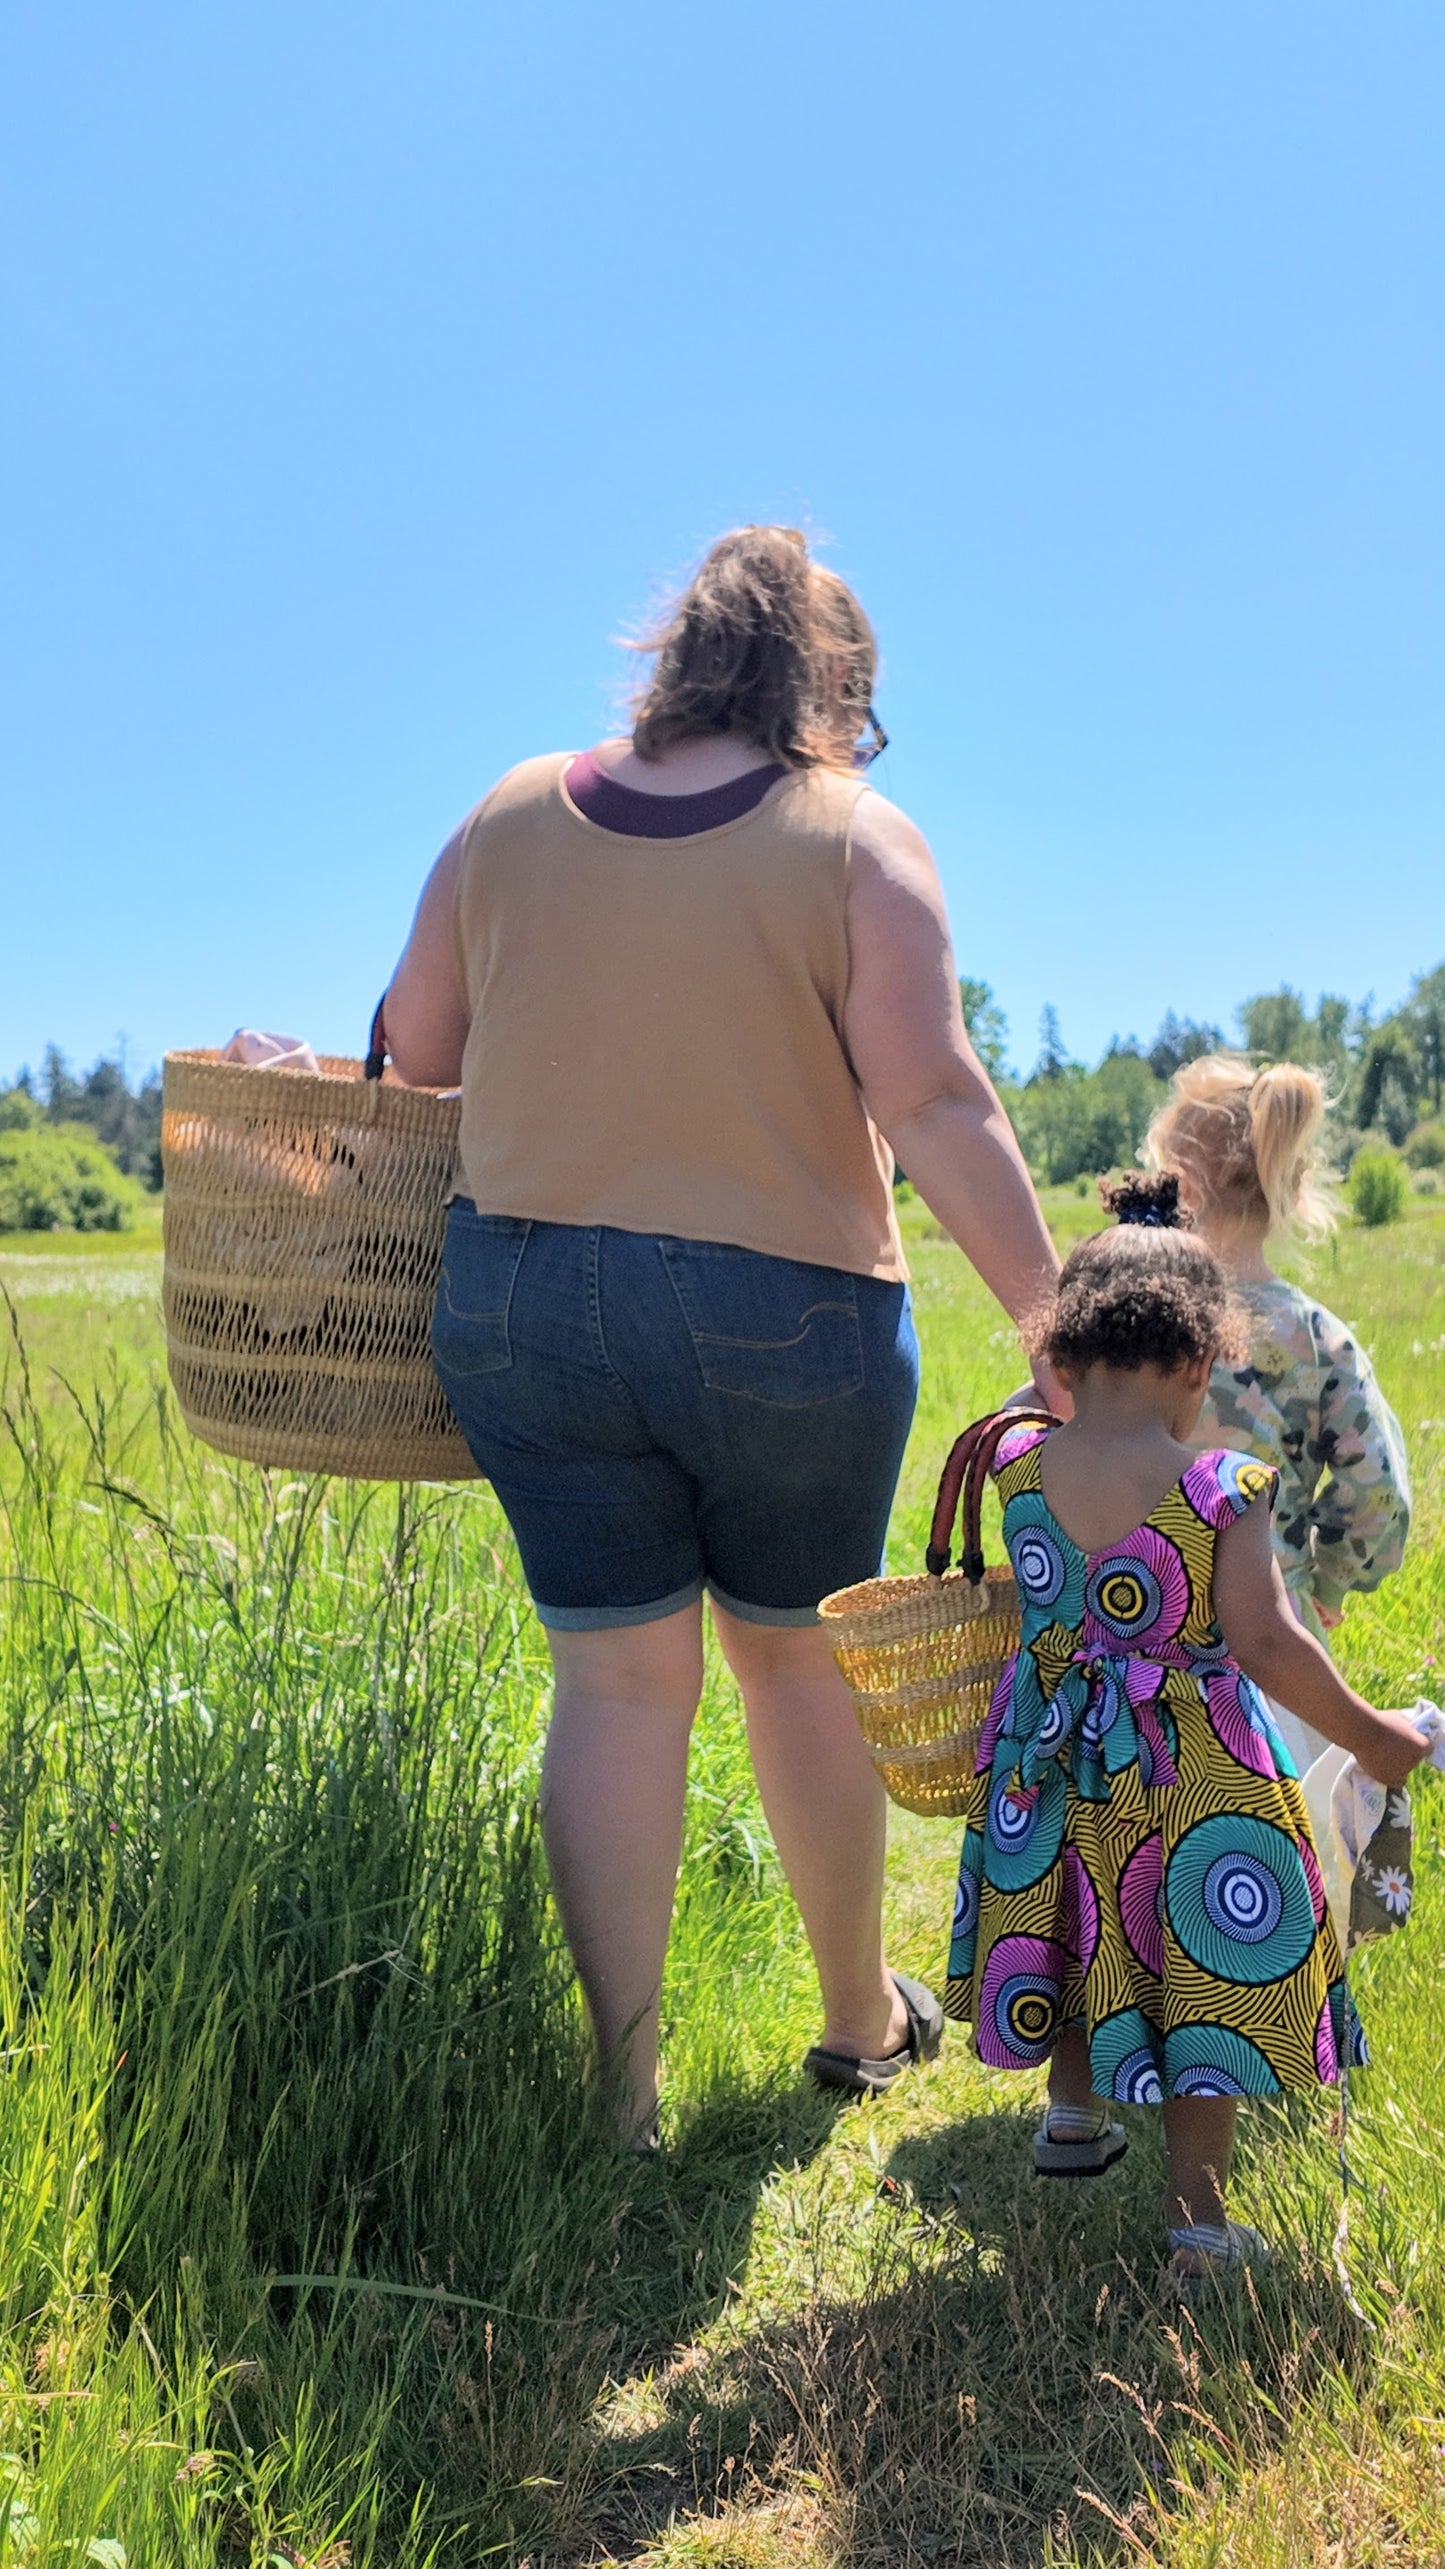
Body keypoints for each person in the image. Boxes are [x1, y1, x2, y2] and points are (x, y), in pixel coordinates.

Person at [383, 525, 1063, 2143]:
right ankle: (853, 2018)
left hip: (527, 1299)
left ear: (674, 658)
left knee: (616, 1686)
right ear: (833, 690)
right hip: (790, 1309)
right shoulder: (852, 836)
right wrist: (1055, 1317)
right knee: (793, 1664)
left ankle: (621, 2098)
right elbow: (933, 1099)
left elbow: (413, 1051)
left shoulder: (505, 812)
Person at [944, 1176, 1426, 2291]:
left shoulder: (1016, 1467)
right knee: (1198, 1964)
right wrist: (1373, 1732)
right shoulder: (1221, 1489)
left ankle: (1071, 2116)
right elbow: (1264, 1645)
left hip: (1049, 1762)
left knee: (1067, 1916)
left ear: (1058, 1353)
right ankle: (1198, 2231)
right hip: (1184, 1773)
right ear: (1202, 1361)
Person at [1146, 1055, 1411, 1768]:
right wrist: (1326, 1578)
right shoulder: (1318, 1339)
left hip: (1132, 1634)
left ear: (1176, 1185)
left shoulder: (1131, 1329)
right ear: (1288, 1189)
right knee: (1284, 1857)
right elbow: (1376, 1491)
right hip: (1276, 1652)